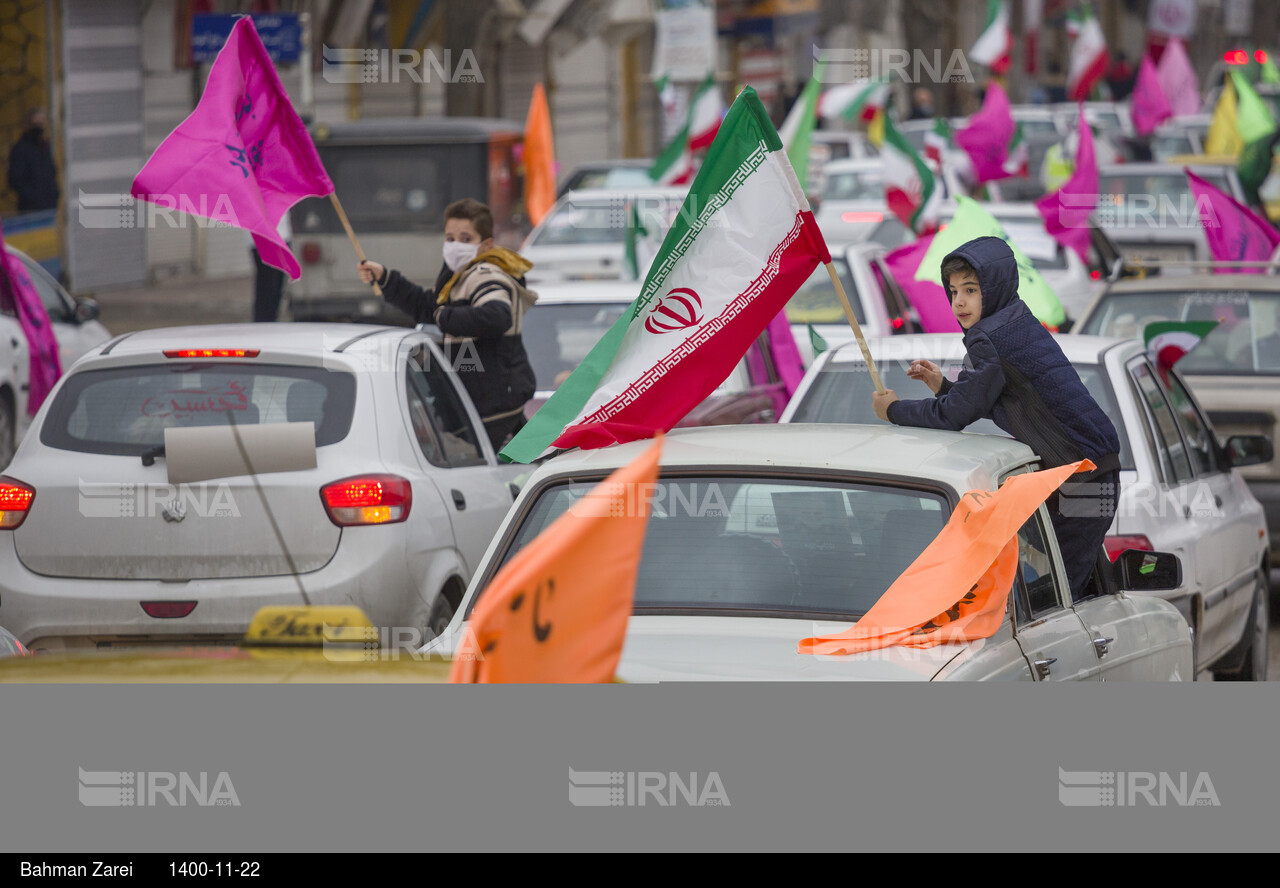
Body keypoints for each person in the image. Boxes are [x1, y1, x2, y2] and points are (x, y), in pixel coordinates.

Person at [870, 236, 1122, 601]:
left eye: (970, 290)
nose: (959, 302)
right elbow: (992, 396)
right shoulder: (1013, 321)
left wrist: (892, 410)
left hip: (1085, 478)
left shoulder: (989, 337)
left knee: (1056, 598)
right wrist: (942, 384)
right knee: (1065, 584)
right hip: (1088, 471)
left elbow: (955, 415)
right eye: (953, 291)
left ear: (994, 286)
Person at [358, 198, 537, 451]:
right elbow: (427, 307)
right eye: (450, 238)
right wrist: (386, 279)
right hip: (480, 406)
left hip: (491, 409)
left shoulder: (484, 275)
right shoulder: (459, 279)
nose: (455, 246)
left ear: (486, 245)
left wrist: (444, 317)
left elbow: (497, 316)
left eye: (466, 239)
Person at [7, 108, 59, 212]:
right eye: (36, 123)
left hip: (50, 206)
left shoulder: (44, 147)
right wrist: (33, 197)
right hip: (30, 209)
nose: (39, 127)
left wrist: (55, 193)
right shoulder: (20, 149)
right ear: (28, 125)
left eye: (41, 123)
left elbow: (51, 171)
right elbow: (15, 180)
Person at [248, 215, 292, 322]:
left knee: (274, 284)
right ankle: (265, 322)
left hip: (278, 235)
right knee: (269, 284)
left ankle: (267, 321)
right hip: (267, 236)